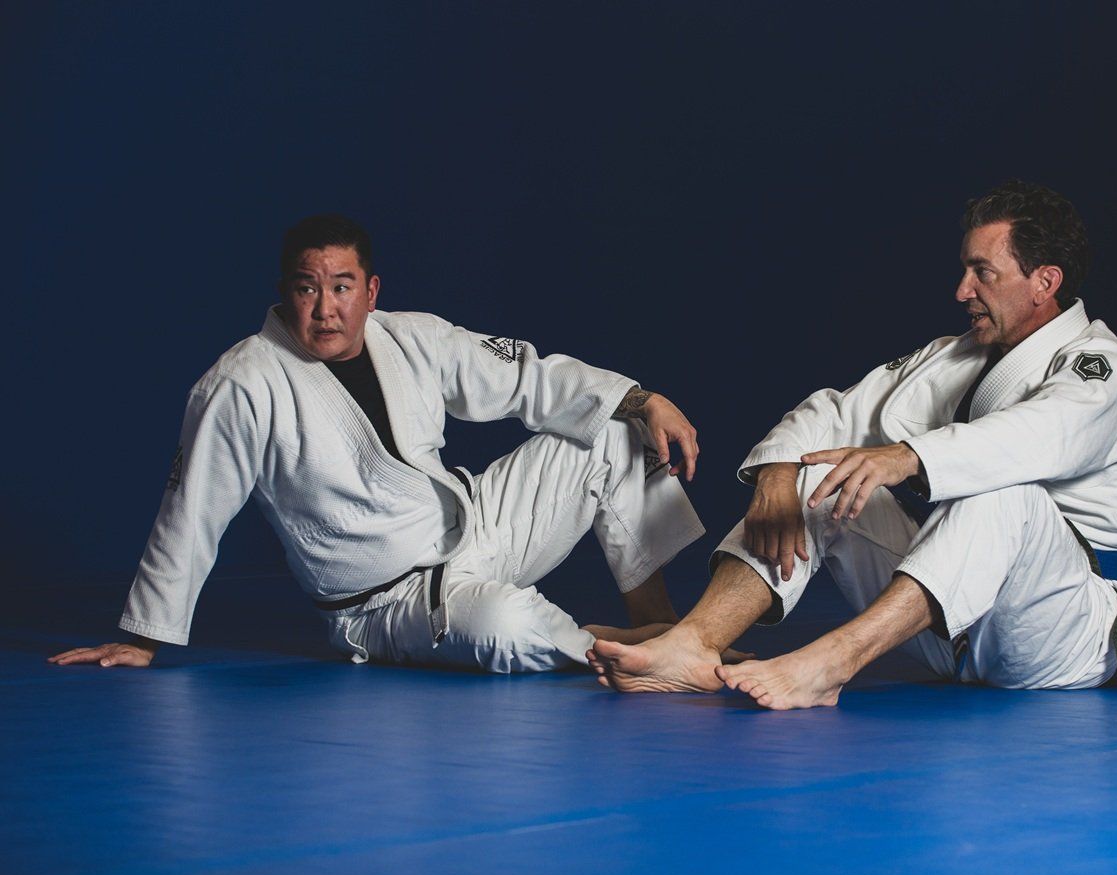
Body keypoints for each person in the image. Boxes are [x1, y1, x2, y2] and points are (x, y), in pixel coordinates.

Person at [589, 180, 1117, 709]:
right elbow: (835, 412)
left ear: (1045, 283)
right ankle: (692, 644)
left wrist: (904, 456)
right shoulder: (954, 355)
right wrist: (778, 475)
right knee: (820, 477)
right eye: (964, 269)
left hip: (1063, 630)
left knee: (1005, 492)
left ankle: (834, 663)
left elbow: (1032, 436)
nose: (962, 290)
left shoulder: (1103, 367)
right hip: (955, 633)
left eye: (982, 272)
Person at [50, 214, 707, 672]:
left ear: (370, 291)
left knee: (612, 426)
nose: (325, 308)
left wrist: (644, 400)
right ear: (285, 292)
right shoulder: (242, 385)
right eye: (307, 288)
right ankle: (627, 651)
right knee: (507, 628)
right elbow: (191, 508)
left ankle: (663, 623)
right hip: (386, 602)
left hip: (475, 526)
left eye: (341, 287)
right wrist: (144, 636)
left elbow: (526, 378)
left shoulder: (410, 336)